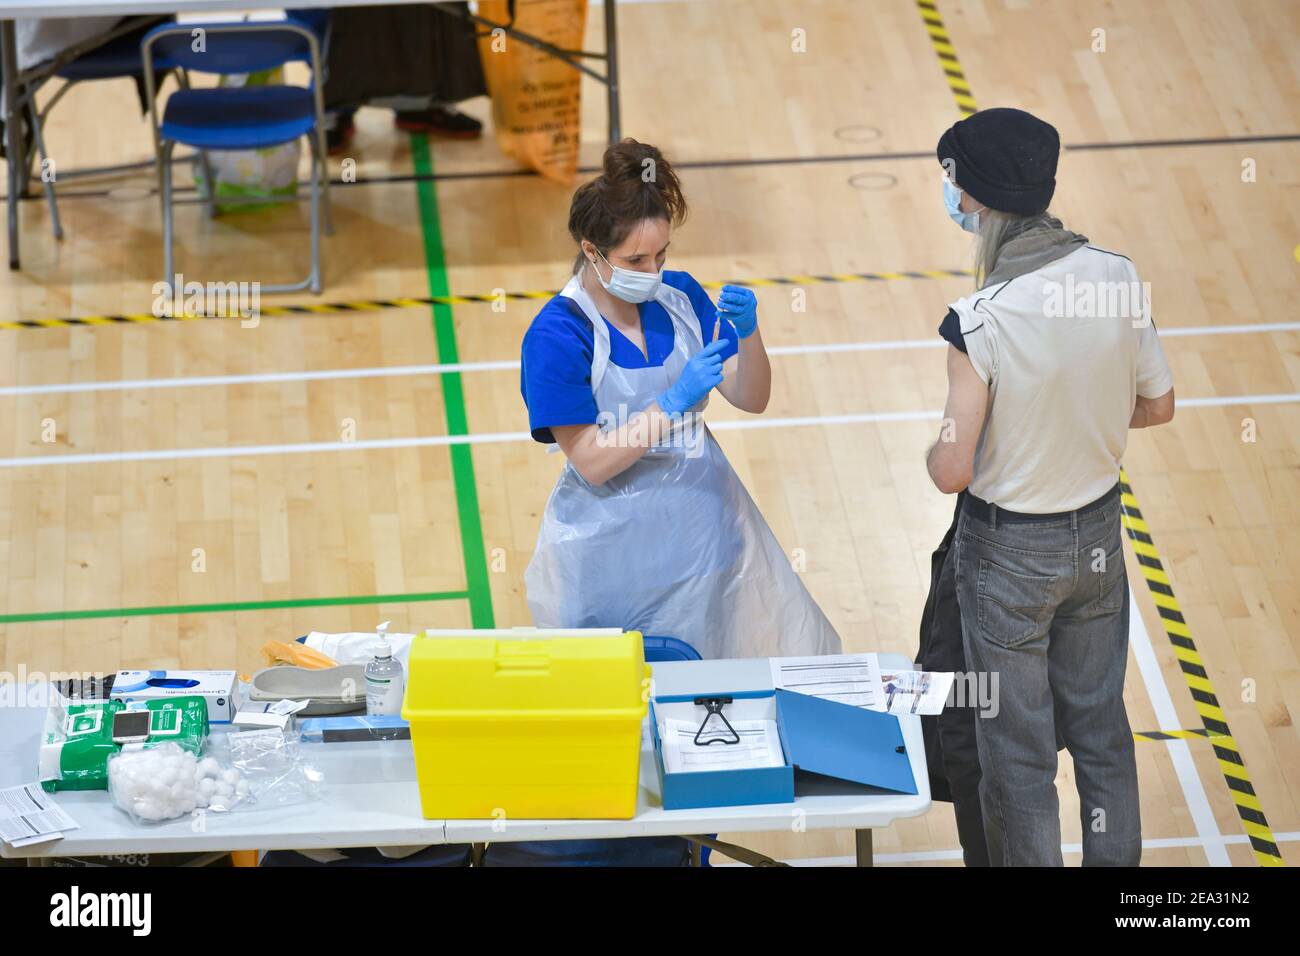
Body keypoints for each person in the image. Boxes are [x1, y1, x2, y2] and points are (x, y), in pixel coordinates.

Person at [925, 108, 1175, 866]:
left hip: (1009, 559)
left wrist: (940, 443)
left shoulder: (980, 320)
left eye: (951, 181)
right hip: (1097, 539)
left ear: (978, 198)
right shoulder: (1116, 273)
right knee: (1101, 733)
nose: (949, 194)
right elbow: (1157, 405)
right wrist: (1077, 421)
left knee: (1019, 752)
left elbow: (953, 469)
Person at [520, 139, 841, 660]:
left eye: (661, 255)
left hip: (702, 541)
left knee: (710, 691)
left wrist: (749, 334)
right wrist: (671, 404)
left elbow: (750, 396)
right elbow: (593, 462)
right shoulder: (556, 336)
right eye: (635, 259)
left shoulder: (681, 296)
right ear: (590, 250)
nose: (652, 272)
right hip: (609, 556)